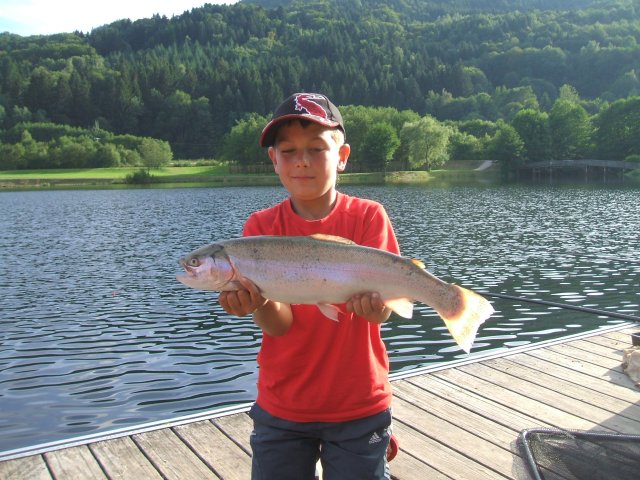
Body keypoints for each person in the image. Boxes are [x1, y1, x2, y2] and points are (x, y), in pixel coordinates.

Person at [219, 92, 400, 480]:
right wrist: (255, 303)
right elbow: (279, 325)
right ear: (274, 160)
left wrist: (377, 307)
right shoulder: (260, 230)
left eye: (317, 149)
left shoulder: (369, 217)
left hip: (359, 403)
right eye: (288, 151)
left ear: (342, 156)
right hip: (283, 404)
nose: (302, 160)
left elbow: (384, 309)